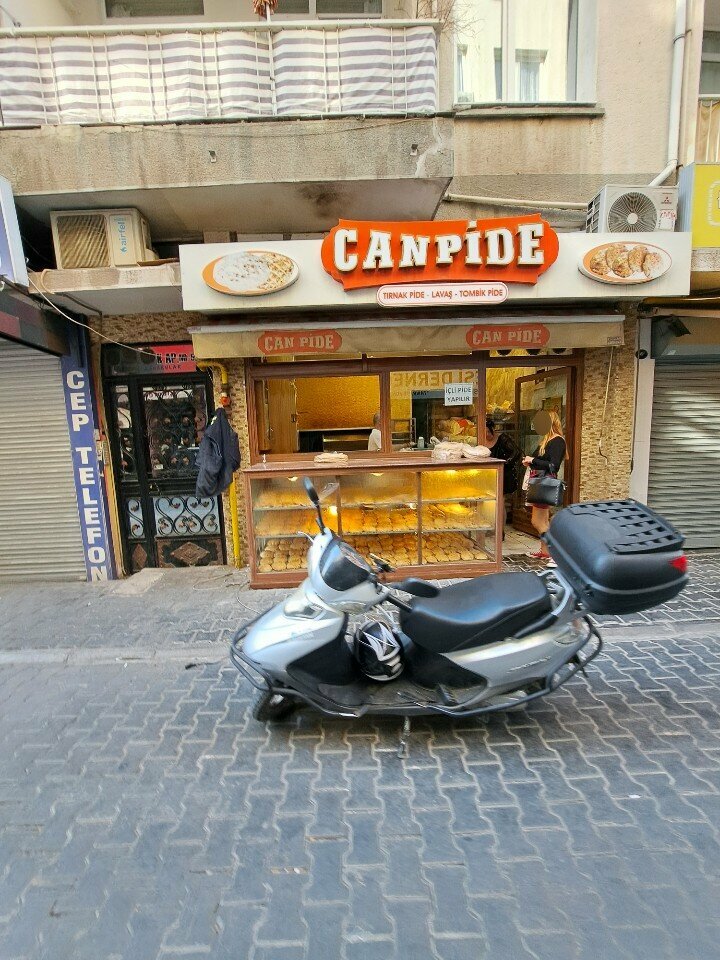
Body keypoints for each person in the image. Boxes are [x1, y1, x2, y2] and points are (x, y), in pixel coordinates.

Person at [522, 410, 567, 563]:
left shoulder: (557, 441)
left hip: (544, 484)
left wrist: (533, 461)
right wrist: (530, 461)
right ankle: (545, 552)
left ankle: (554, 554)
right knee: (543, 521)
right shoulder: (547, 440)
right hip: (540, 482)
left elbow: (553, 466)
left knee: (537, 522)